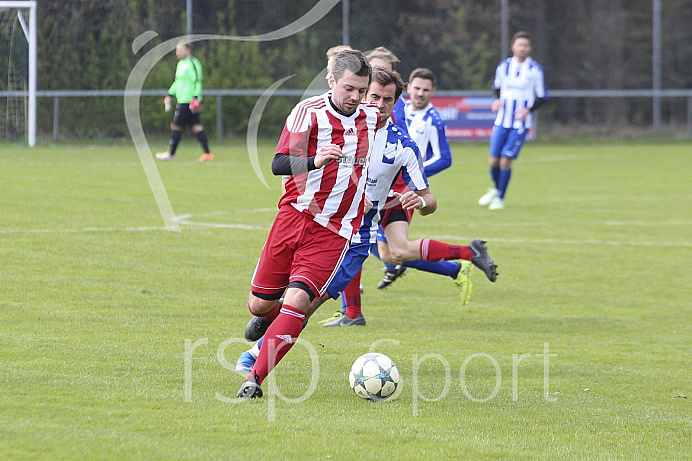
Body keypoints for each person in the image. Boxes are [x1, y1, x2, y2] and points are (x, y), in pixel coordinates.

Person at [236, 67, 497, 372]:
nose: (379, 103)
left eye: (388, 99)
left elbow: (430, 200)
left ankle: (255, 356)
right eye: (373, 95)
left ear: (396, 102)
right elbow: (295, 159)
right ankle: (274, 317)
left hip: (356, 236)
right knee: (280, 300)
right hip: (317, 223)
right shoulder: (344, 125)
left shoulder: (402, 144)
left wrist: (421, 201)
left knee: (308, 301)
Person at [235, 50, 380, 399]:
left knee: (299, 301)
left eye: (362, 90)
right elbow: (278, 163)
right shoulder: (308, 113)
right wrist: (315, 160)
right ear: (331, 81)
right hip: (293, 216)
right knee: (259, 305)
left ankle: (253, 379)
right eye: (349, 89)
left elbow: (395, 103)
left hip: (334, 231)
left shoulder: (372, 118)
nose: (355, 98)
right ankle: (271, 318)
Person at [377, 67, 455, 289]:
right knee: (388, 252)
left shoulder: (433, 120)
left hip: (404, 189)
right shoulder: (397, 109)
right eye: (417, 88)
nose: (420, 94)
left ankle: (350, 309)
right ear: (408, 88)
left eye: (426, 90)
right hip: (382, 184)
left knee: (394, 249)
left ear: (433, 92)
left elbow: (444, 158)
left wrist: (412, 173)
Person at [478, 31, 547, 210]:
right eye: (519, 45)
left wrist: (528, 110)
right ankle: (495, 188)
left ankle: (500, 198)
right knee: (493, 161)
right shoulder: (504, 66)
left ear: (529, 48)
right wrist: (496, 100)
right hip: (502, 121)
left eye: (525, 45)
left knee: (505, 160)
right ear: (513, 47)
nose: (522, 48)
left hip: (520, 123)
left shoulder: (535, 70)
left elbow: (542, 96)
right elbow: (496, 88)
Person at [156, 40, 214, 162]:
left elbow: (197, 80)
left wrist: (196, 97)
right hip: (182, 99)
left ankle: (171, 154)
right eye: (177, 50)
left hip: (189, 101)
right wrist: (170, 94)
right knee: (195, 126)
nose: (178, 52)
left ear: (188, 50)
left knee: (176, 125)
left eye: (180, 50)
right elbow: (178, 82)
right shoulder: (180, 64)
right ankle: (207, 154)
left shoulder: (193, 63)